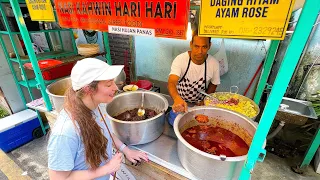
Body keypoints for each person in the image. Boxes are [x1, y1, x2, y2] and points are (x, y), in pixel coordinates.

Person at [47, 58, 149, 180]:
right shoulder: (66, 132)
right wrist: (106, 169)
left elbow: (105, 132)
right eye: (108, 84)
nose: (116, 88)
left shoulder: (96, 105)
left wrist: (126, 150)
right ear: (88, 89)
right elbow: (58, 179)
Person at [167, 29, 220, 125]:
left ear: (209, 46)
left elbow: (214, 84)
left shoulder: (214, 64)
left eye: (204, 47)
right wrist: (176, 98)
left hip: (199, 105)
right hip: (180, 103)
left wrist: (205, 101)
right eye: (196, 46)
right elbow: (172, 82)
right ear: (191, 44)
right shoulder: (180, 60)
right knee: (174, 124)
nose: (200, 51)